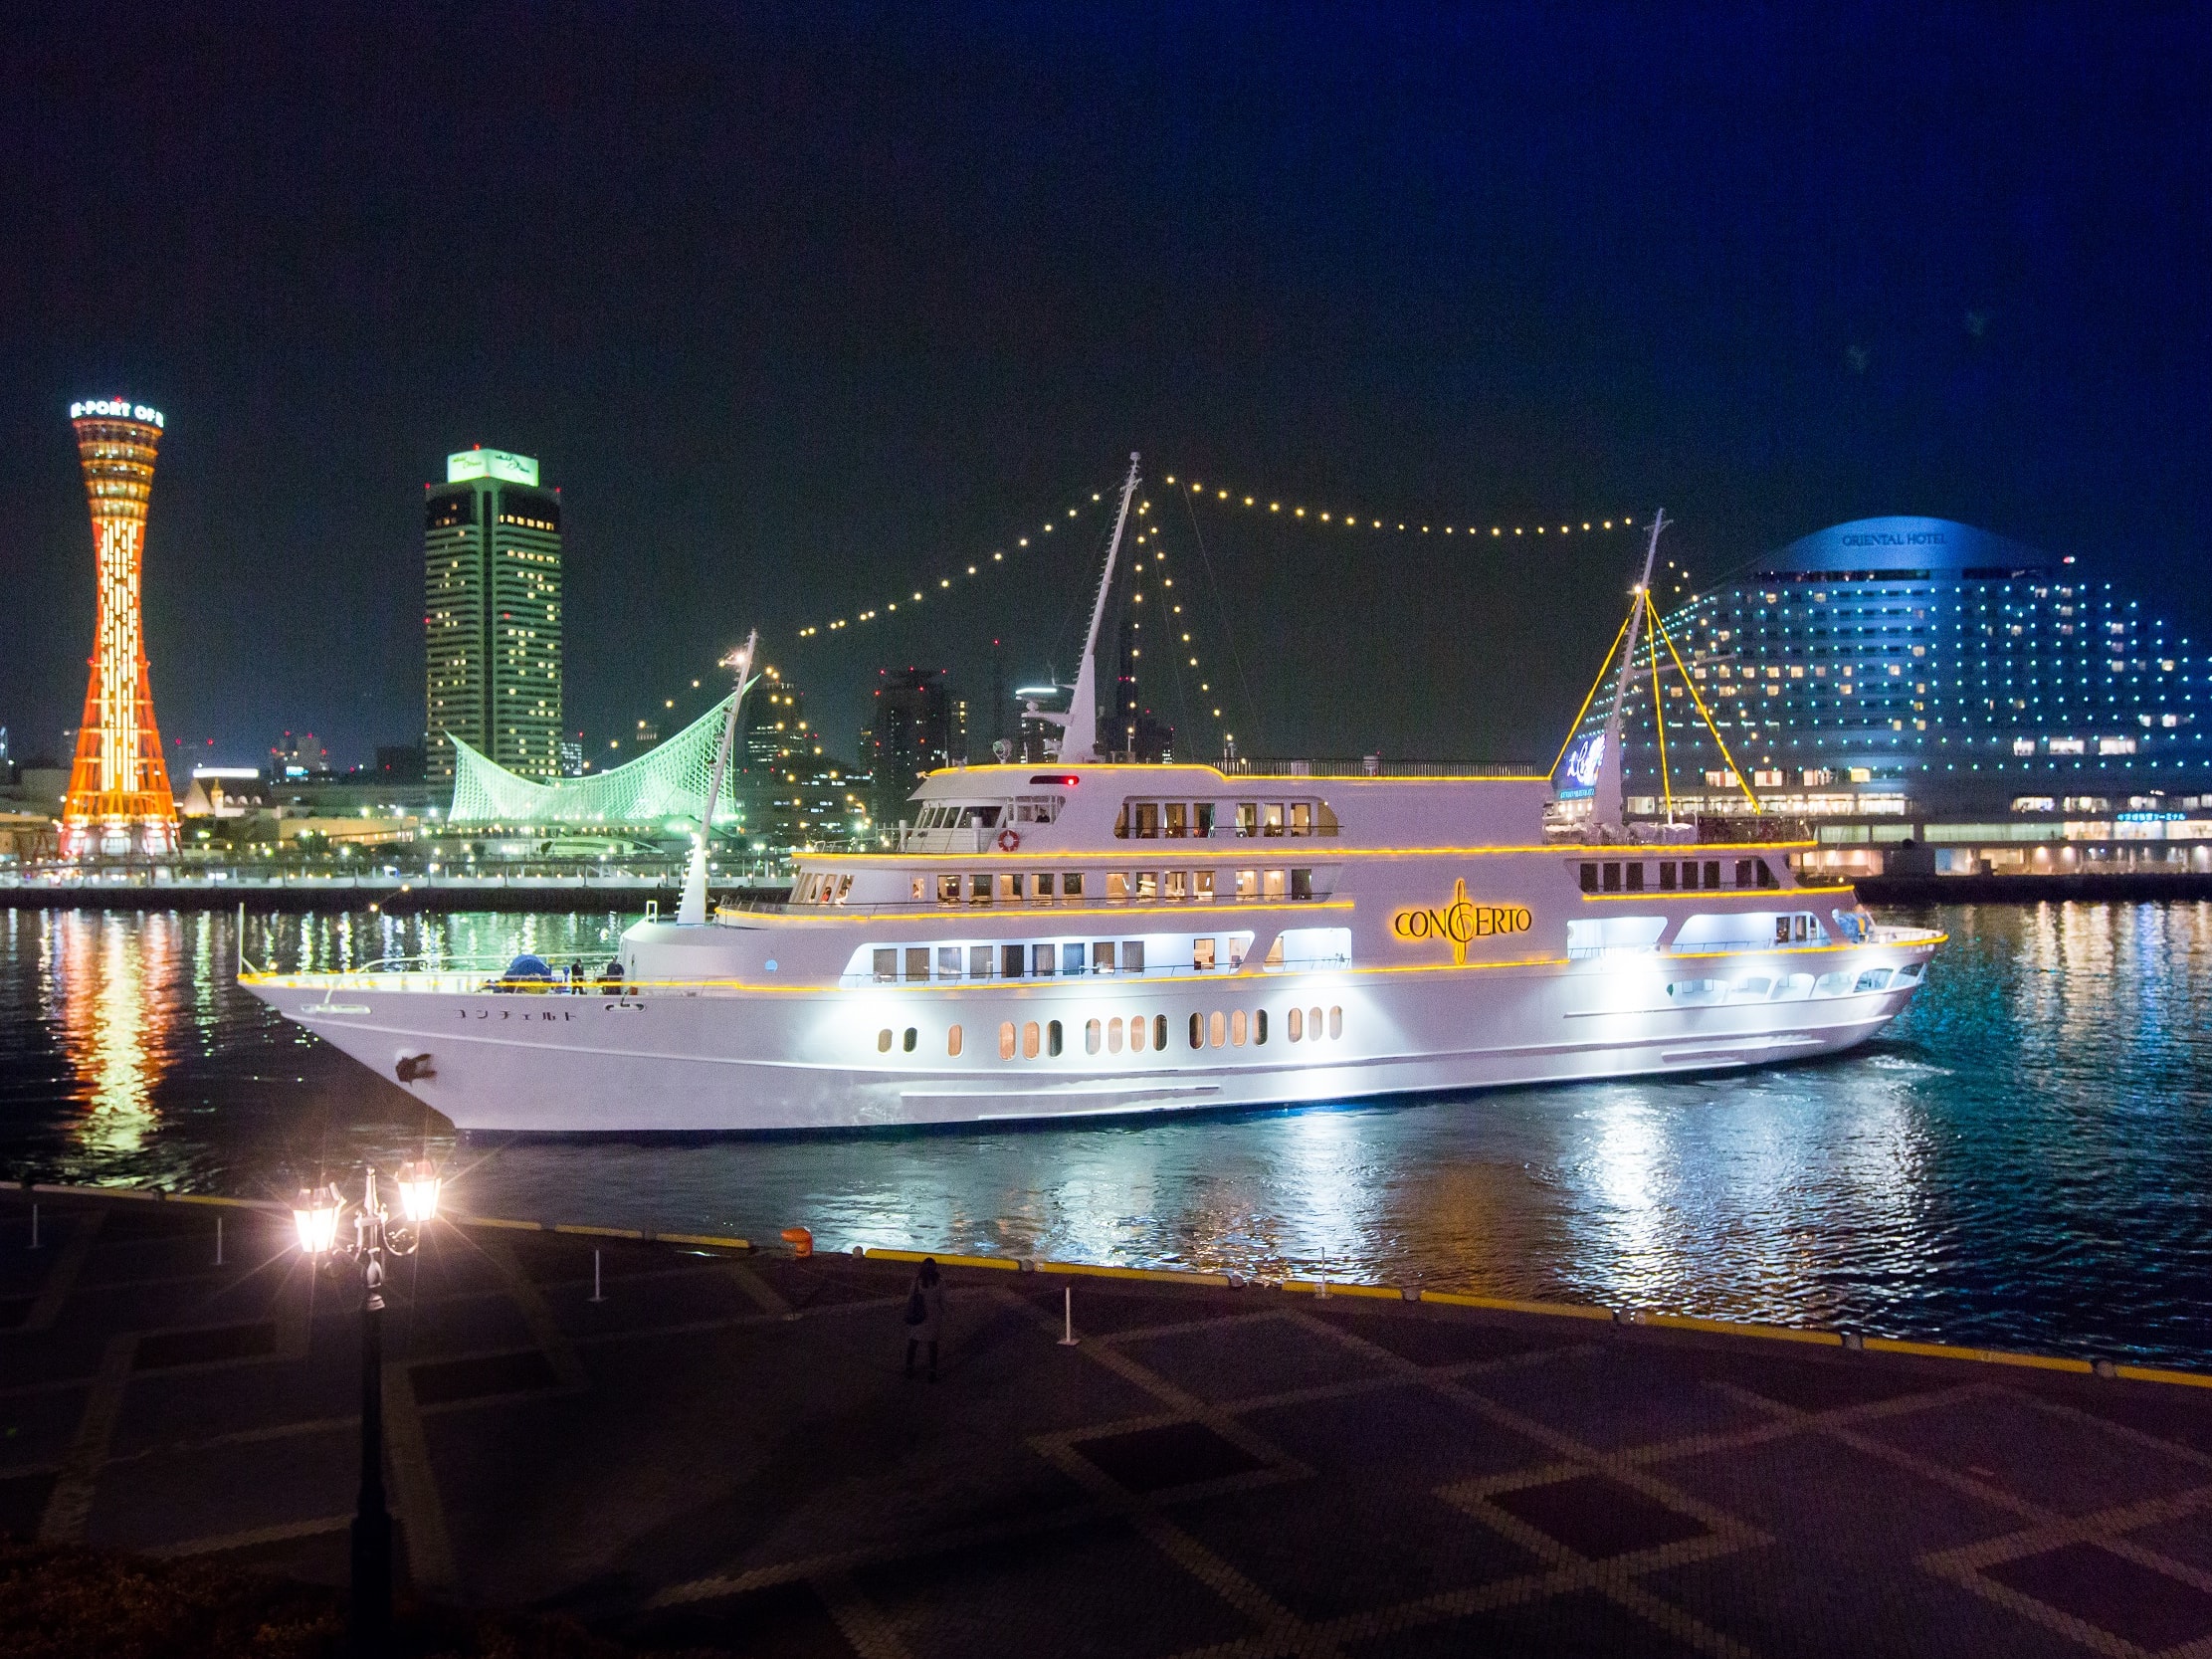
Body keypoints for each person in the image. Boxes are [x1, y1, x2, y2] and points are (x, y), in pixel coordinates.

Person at [903, 1257, 946, 1381]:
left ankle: (909, 1367)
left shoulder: (917, 1281)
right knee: (932, 1344)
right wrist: (943, 1313)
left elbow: (910, 1297)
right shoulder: (939, 1282)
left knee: (913, 1342)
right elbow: (943, 1300)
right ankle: (932, 1371)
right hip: (933, 1315)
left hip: (918, 1313)